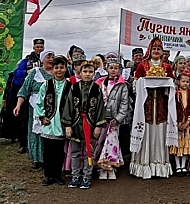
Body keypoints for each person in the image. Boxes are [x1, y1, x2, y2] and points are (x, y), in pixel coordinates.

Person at [129, 37, 177, 179]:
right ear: (149, 50)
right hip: (146, 106)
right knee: (145, 132)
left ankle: (160, 165)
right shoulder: (143, 66)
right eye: (154, 49)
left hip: (161, 107)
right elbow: (135, 84)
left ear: (162, 52)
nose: (156, 51)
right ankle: (143, 164)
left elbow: (171, 85)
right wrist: (142, 84)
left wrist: (167, 87)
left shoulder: (166, 67)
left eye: (159, 49)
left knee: (159, 133)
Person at [62, 61, 106, 189]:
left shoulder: (97, 88)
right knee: (75, 152)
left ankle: (87, 176)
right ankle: (75, 175)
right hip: (76, 123)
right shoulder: (74, 87)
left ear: (94, 73)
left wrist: (98, 126)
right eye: (85, 71)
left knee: (89, 152)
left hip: (90, 124)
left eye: (90, 72)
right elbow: (68, 106)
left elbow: (99, 108)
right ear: (79, 73)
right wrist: (68, 125)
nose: (87, 74)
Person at [14, 50, 55, 169]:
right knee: (36, 132)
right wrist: (18, 105)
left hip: (52, 107)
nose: (51, 58)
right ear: (42, 59)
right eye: (48, 56)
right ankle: (37, 159)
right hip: (35, 107)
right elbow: (24, 90)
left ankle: (48, 158)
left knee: (49, 132)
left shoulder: (57, 72)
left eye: (53, 56)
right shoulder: (35, 72)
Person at [35, 55, 72, 186]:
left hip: (61, 123)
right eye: (56, 67)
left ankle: (57, 175)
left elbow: (73, 105)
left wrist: (69, 123)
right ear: (53, 68)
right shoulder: (46, 84)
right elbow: (39, 102)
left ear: (66, 68)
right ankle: (48, 175)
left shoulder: (70, 86)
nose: (59, 70)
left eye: (62, 67)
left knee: (59, 151)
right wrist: (41, 116)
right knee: (48, 151)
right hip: (49, 122)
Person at [95, 58, 130, 180]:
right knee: (100, 141)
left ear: (119, 69)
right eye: (111, 68)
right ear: (107, 68)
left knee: (112, 141)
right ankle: (102, 167)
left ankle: (111, 166)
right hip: (102, 118)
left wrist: (118, 118)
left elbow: (124, 104)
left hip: (114, 120)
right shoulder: (100, 83)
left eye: (116, 68)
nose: (113, 70)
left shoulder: (122, 85)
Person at [170, 70, 190, 176]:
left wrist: (187, 122)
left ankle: (183, 166)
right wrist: (176, 122)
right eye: (183, 81)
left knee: (186, 145)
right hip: (176, 124)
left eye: (187, 82)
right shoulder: (174, 94)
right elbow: (171, 108)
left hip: (187, 124)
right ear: (178, 82)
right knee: (177, 145)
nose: (185, 84)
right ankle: (178, 166)